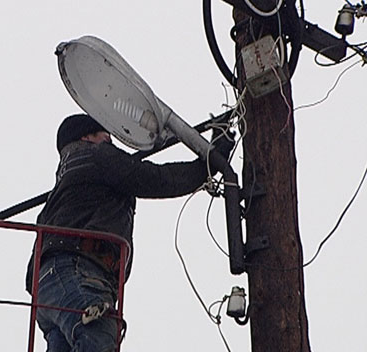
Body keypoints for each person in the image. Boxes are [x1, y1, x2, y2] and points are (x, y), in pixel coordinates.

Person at [26, 113, 232, 352]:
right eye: (106, 135)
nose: (111, 141)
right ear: (87, 136)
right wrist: (208, 165)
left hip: (48, 291)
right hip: (76, 270)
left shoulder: (63, 185)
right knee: (99, 337)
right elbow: (154, 179)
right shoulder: (96, 156)